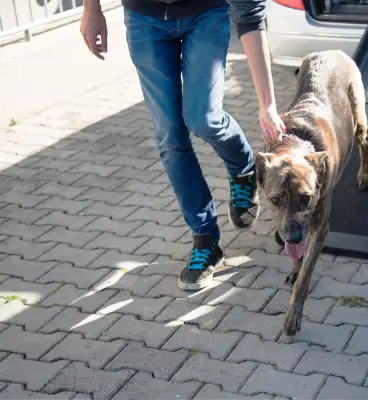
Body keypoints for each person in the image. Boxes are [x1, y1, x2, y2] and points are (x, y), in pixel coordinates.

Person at [80, 0, 285, 290]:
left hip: (206, 13)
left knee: (203, 118)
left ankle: (243, 167)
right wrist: (91, 8)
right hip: (143, 18)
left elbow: (249, 13)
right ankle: (206, 239)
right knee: (170, 136)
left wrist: (268, 105)